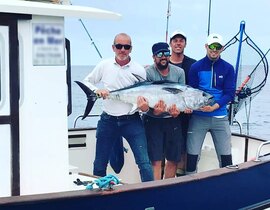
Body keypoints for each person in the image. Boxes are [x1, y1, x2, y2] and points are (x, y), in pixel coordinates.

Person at [83, 33, 154, 182]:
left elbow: (145, 98)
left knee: (144, 163)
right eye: (119, 46)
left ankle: (149, 197)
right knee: (99, 164)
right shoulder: (104, 65)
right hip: (108, 120)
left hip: (132, 121)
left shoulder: (139, 69)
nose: (122, 50)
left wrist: (145, 107)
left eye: (126, 47)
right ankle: (98, 198)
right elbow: (87, 81)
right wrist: (96, 91)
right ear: (113, 47)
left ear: (131, 49)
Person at [186, 33, 236, 174]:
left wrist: (215, 106)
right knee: (192, 157)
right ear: (206, 46)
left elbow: (229, 93)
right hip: (198, 117)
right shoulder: (196, 67)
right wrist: (192, 107)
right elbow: (192, 91)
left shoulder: (228, 68)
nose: (214, 49)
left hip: (220, 118)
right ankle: (190, 185)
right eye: (211, 46)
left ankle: (227, 186)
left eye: (218, 47)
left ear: (222, 48)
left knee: (226, 158)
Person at [143, 42, 186, 180]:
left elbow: (183, 97)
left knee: (173, 159)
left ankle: (167, 189)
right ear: (153, 57)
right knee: (155, 160)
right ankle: (154, 191)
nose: (163, 57)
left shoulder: (179, 72)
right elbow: (144, 100)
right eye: (159, 54)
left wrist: (178, 112)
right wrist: (155, 112)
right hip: (153, 121)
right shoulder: (148, 72)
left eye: (166, 53)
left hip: (172, 120)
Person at [169, 30, 197, 176]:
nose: (178, 43)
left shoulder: (193, 64)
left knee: (183, 149)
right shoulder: (162, 62)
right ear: (170, 43)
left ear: (185, 43)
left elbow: (197, 88)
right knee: (162, 150)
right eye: (175, 40)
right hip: (164, 114)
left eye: (181, 40)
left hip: (186, 114)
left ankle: (180, 179)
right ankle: (160, 183)